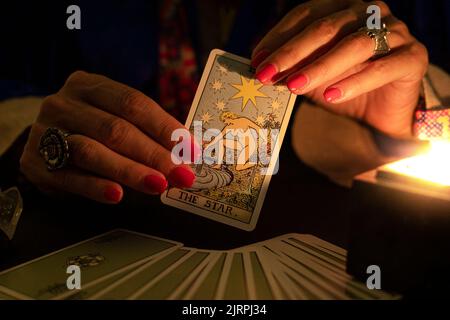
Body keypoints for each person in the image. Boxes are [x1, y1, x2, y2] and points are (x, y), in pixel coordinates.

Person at [2, 0, 448, 204]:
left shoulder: (400, 10)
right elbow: (15, 88)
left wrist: (412, 117)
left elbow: (436, 120)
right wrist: (32, 136)